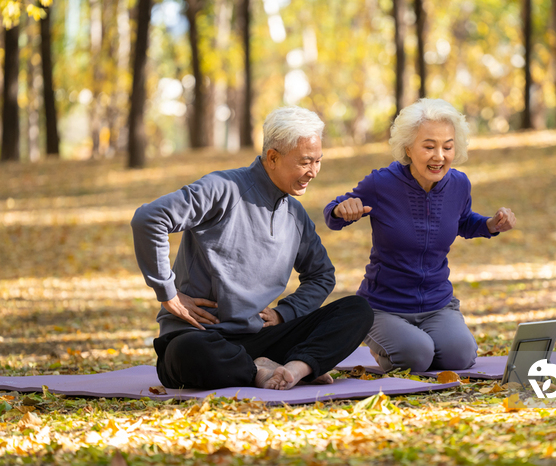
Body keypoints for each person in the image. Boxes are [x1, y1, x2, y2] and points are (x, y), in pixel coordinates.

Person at [131, 106, 373, 391]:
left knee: (358, 310)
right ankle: (258, 370)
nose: (313, 172)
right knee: (189, 352)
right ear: (272, 157)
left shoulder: (295, 216)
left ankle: (297, 367)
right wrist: (167, 293)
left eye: (318, 161)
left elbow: (322, 276)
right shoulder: (222, 188)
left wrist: (286, 313)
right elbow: (150, 219)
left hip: (261, 338)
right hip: (200, 337)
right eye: (305, 162)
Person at [324, 98, 516, 373]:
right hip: (384, 307)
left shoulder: (459, 184)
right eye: (429, 146)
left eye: (447, 147)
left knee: (460, 357)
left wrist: (491, 224)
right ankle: (395, 345)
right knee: (417, 356)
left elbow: (463, 221)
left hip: (437, 305)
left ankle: (415, 345)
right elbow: (332, 213)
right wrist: (341, 211)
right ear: (408, 149)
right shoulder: (381, 184)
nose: (439, 155)